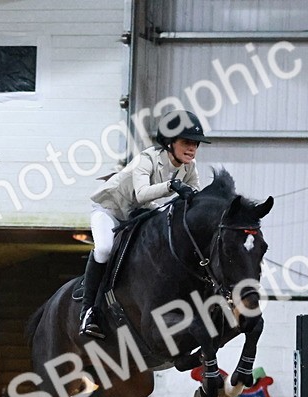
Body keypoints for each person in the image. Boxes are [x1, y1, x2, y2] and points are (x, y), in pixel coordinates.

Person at [79, 109, 211, 339]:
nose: (192, 148)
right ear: (169, 142)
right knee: (104, 249)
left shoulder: (189, 166)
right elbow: (141, 194)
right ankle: (88, 311)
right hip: (111, 210)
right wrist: (172, 186)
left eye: (195, 144)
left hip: (140, 213)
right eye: (187, 142)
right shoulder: (146, 159)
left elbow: (195, 197)